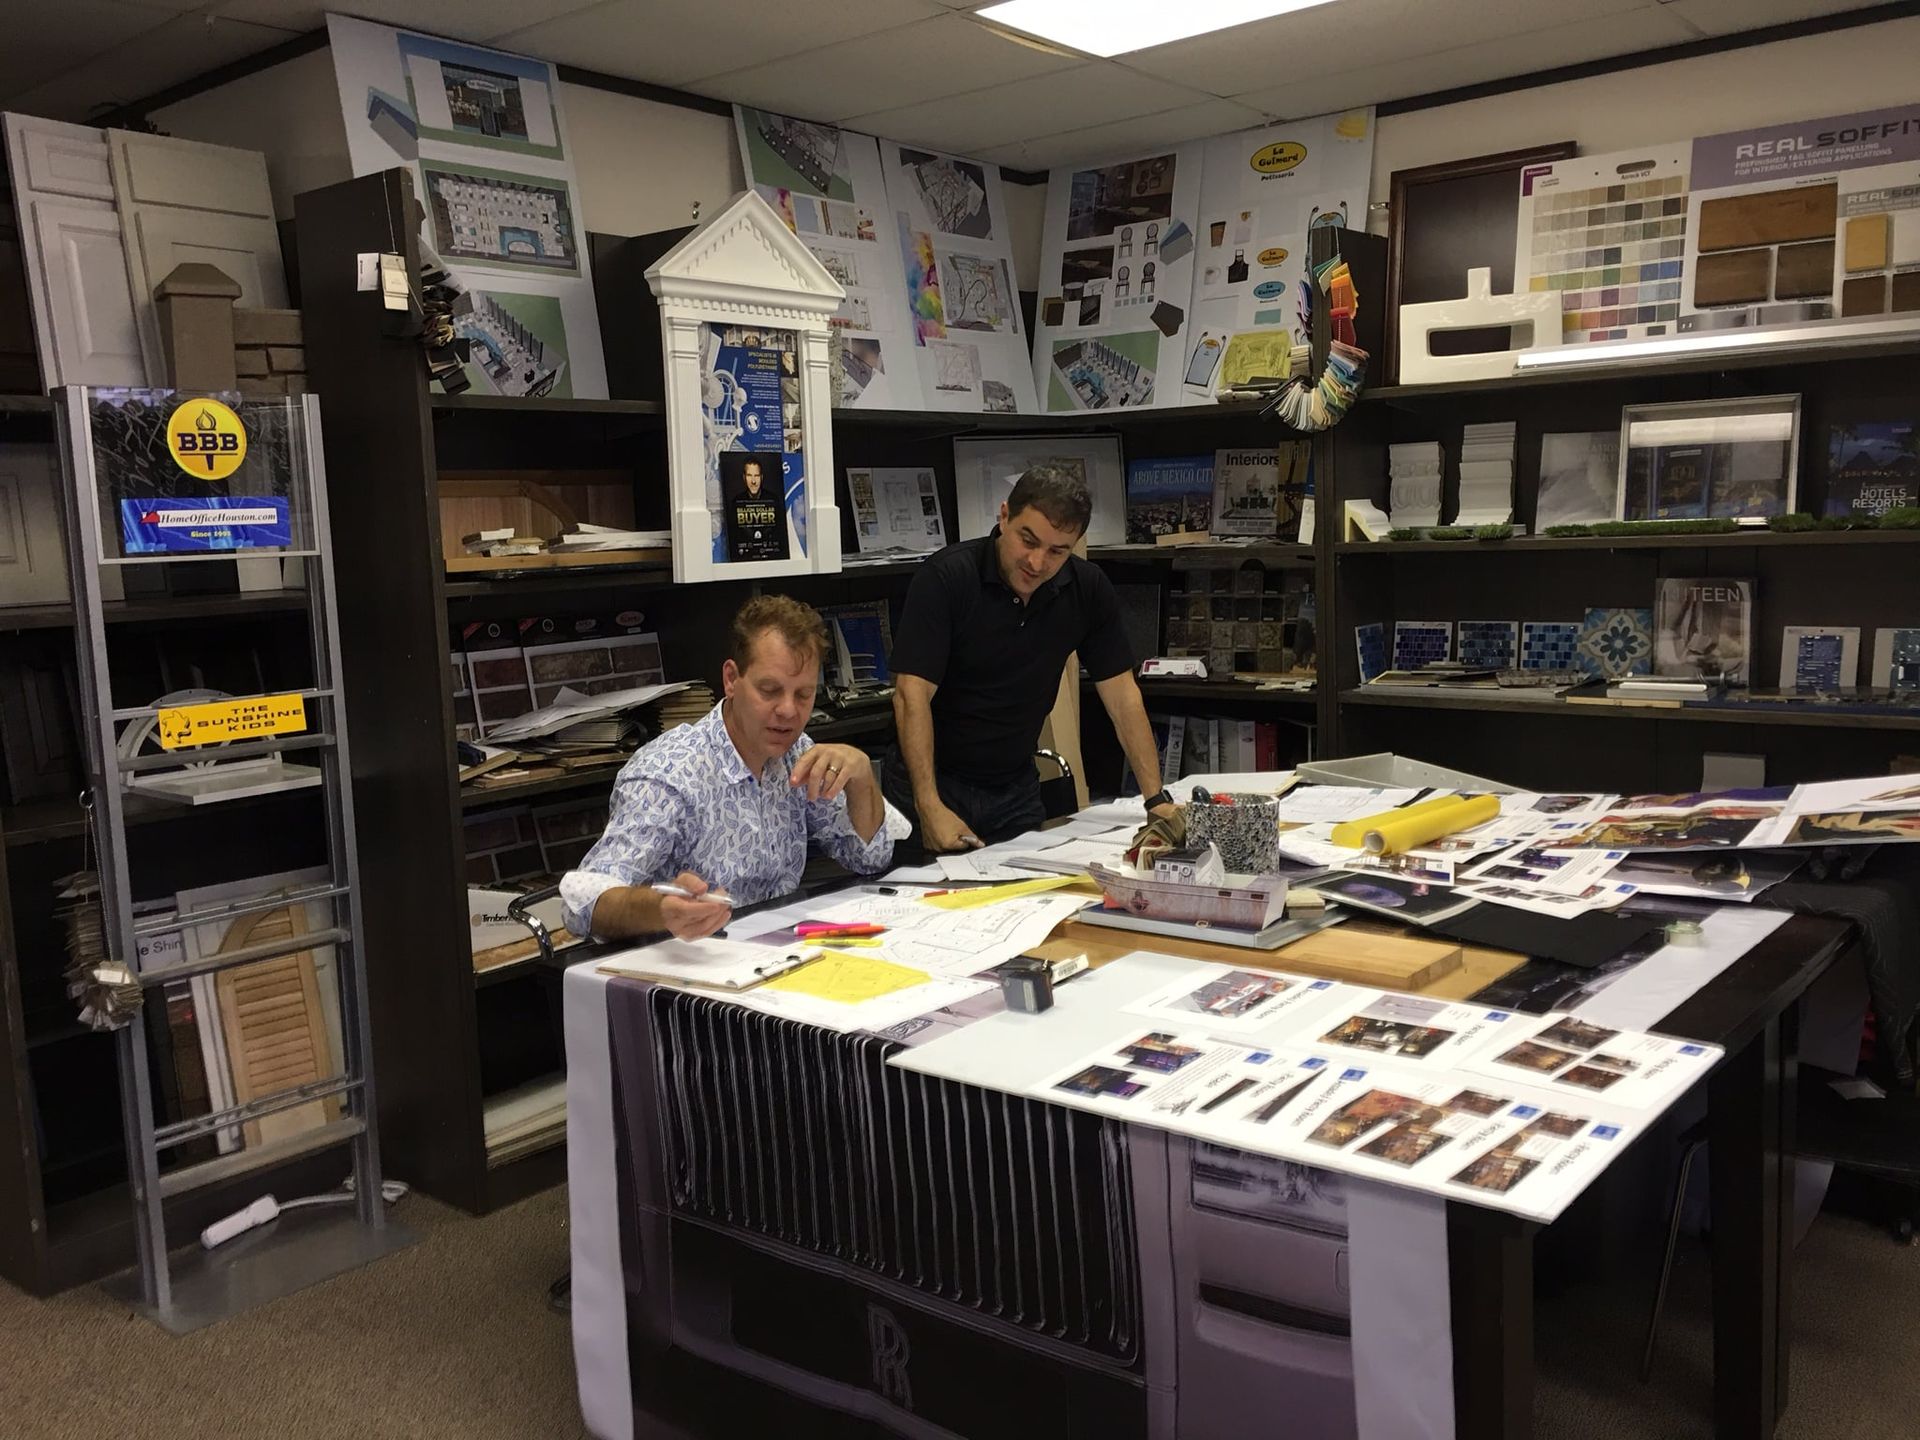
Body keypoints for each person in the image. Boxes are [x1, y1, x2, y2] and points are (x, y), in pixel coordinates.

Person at [560, 595, 900, 942]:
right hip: (690, 964)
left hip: (777, 948)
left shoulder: (797, 753)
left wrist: (860, 778)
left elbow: (868, 858)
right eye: (769, 691)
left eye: (803, 695)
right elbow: (583, 905)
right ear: (731, 679)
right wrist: (661, 908)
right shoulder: (669, 774)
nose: (787, 710)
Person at [886, 464, 1176, 854]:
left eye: (1057, 551)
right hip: (933, 781)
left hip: (1014, 787)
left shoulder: (1086, 589)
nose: (1037, 563)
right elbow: (910, 696)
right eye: (1028, 540)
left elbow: (1122, 697)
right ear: (1004, 516)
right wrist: (929, 805)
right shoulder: (946, 578)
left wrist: (1155, 799)